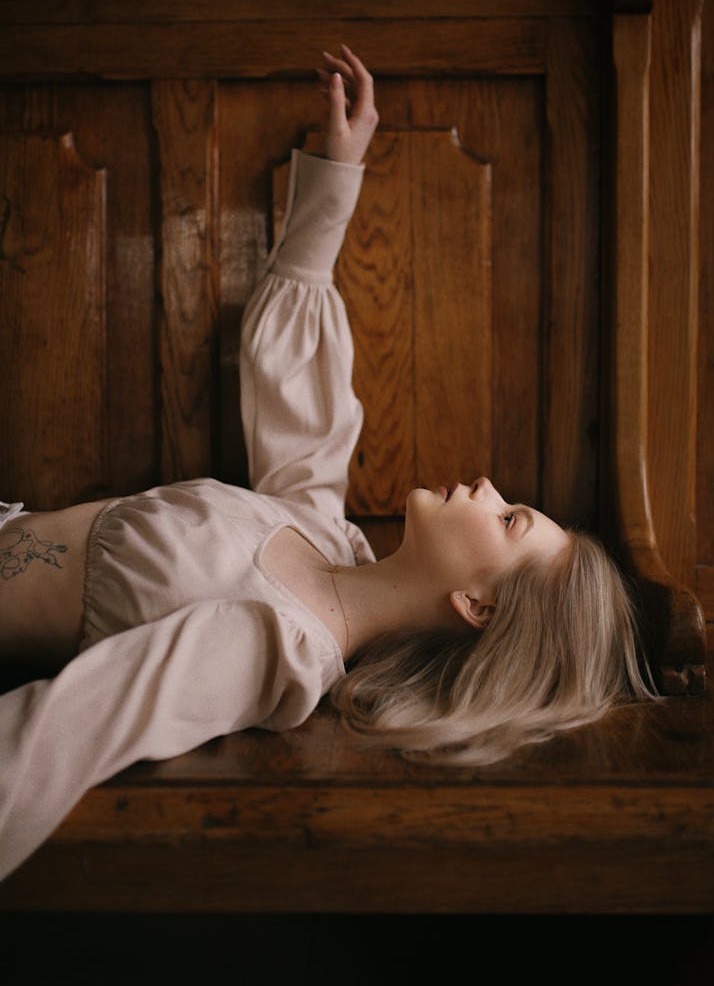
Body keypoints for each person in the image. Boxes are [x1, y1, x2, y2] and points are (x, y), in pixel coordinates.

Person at [0, 47, 657, 881]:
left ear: (479, 607)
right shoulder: (323, 533)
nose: (490, 485)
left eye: (509, 517)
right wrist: (336, 174)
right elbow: (298, 400)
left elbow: (74, 726)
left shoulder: (281, 647)